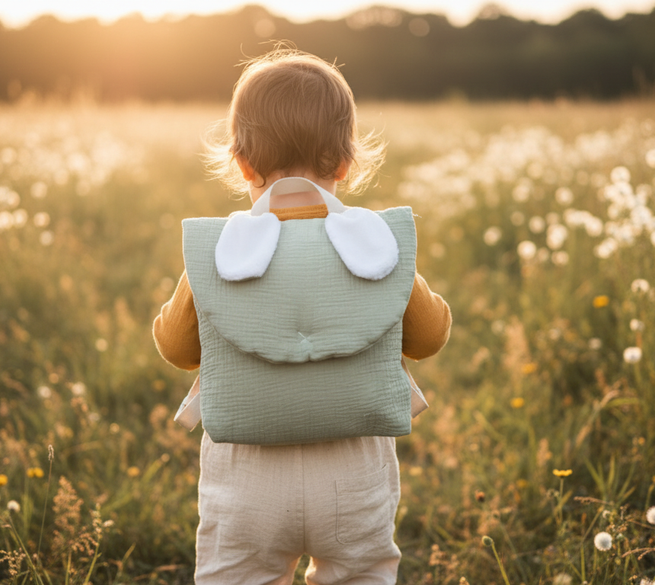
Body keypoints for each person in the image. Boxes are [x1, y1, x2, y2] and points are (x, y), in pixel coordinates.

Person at [152, 47, 450, 585]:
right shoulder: (374, 244)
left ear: (242, 163)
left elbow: (177, 349)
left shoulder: (223, 251)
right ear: (345, 162)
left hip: (247, 475)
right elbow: (428, 337)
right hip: (354, 472)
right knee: (360, 573)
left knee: (236, 575)